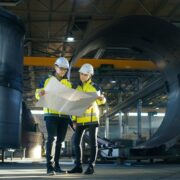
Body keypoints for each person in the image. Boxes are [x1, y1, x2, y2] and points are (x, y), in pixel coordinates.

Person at [35, 57, 72, 175]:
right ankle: (49, 167)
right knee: (51, 138)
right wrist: (39, 94)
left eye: (65, 69)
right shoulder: (46, 80)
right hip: (51, 114)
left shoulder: (68, 83)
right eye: (61, 68)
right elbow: (37, 94)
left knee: (60, 141)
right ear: (55, 67)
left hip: (64, 116)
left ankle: (57, 166)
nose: (63, 71)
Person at [68, 63, 106, 175]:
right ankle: (78, 166)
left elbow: (101, 101)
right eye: (81, 74)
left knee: (93, 143)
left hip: (92, 118)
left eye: (85, 74)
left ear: (90, 75)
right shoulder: (77, 87)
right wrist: (74, 119)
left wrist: (102, 98)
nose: (82, 76)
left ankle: (91, 166)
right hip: (79, 119)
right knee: (76, 142)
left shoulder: (95, 86)